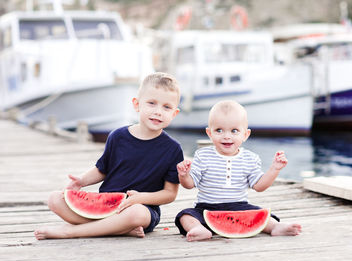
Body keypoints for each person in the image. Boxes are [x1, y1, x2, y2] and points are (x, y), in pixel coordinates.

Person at [34, 72, 184, 240]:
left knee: (137, 214)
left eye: (166, 107)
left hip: (142, 208)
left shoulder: (173, 149)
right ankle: (118, 228)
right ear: (136, 104)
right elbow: (102, 169)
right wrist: (81, 181)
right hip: (104, 201)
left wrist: (140, 198)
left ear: (174, 113)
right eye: (151, 103)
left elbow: (170, 193)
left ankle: (70, 231)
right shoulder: (118, 136)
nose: (158, 111)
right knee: (54, 199)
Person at [175, 100, 302, 241]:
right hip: (206, 208)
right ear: (209, 133)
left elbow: (259, 186)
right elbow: (190, 184)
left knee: (261, 214)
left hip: (240, 206)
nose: (227, 136)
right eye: (219, 130)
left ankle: (275, 227)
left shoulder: (250, 158)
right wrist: (184, 175)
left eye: (234, 131)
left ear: (245, 135)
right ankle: (197, 228)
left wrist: (274, 169)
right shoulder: (202, 155)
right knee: (185, 215)